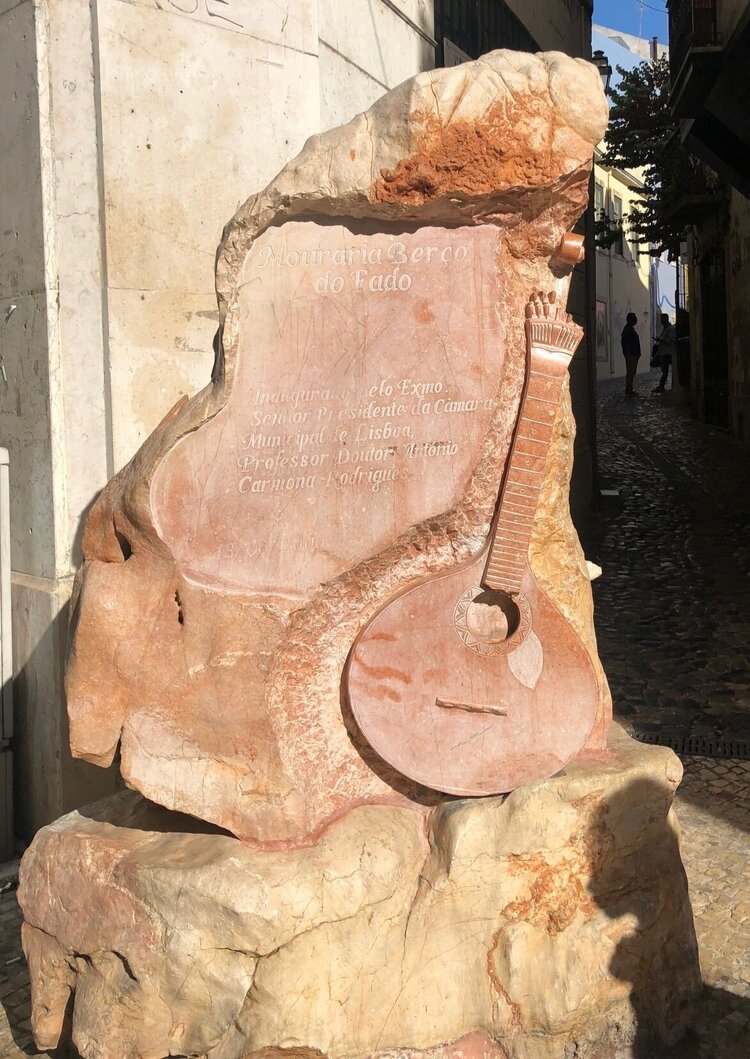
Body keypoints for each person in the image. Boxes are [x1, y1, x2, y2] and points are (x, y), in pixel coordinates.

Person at [652, 313, 676, 393]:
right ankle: (661, 386)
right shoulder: (665, 328)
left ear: (666, 319)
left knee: (664, 371)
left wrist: (661, 340)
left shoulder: (670, 329)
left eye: (662, 319)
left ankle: (661, 386)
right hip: (663, 352)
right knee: (663, 370)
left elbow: (671, 340)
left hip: (667, 353)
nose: (661, 321)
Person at [620, 312, 641, 396]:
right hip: (631, 354)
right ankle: (629, 390)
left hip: (633, 354)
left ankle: (629, 389)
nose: (636, 320)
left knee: (631, 372)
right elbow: (625, 343)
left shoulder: (629, 329)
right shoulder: (628, 330)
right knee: (630, 372)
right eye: (635, 318)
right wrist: (628, 353)